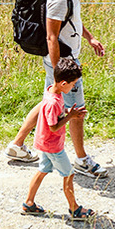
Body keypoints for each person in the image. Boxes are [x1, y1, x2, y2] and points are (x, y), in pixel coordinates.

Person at [5, 0, 107, 176]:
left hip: (62, 61)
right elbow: (51, 37)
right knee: (77, 109)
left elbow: (72, 20)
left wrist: (90, 38)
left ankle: (17, 145)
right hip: (63, 62)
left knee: (47, 102)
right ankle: (81, 160)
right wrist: (60, 71)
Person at [21, 55, 95, 220]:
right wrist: (70, 117)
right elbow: (53, 126)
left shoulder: (51, 91)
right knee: (68, 174)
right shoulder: (53, 101)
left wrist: (69, 112)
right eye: (73, 84)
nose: (74, 87)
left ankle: (29, 203)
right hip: (53, 146)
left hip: (45, 143)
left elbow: (55, 114)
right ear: (63, 83)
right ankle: (75, 209)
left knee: (42, 171)